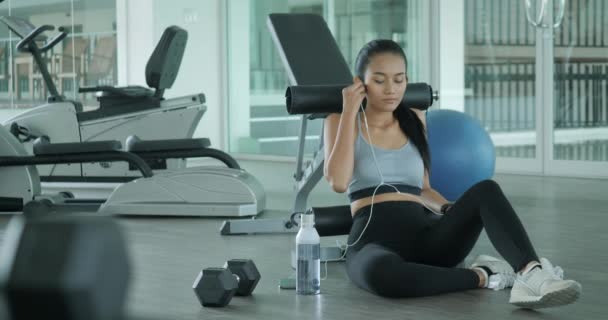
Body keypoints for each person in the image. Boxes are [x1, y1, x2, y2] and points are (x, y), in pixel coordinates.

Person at [323, 39, 581, 309]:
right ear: (359, 83)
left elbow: (422, 188)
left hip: (427, 238)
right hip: (373, 240)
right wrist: (350, 109)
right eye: (379, 80)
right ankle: (486, 276)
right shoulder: (339, 120)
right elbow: (339, 182)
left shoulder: (414, 119)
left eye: (399, 80)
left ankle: (531, 274)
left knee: (486, 190)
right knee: (383, 276)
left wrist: (450, 209)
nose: (391, 89)